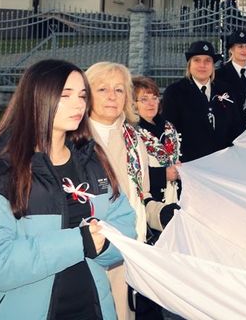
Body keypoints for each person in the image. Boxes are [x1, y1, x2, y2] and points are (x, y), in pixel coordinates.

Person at [0, 59, 136, 319]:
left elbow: (125, 224)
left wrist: (102, 245)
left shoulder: (91, 161)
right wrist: (80, 242)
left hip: (92, 309)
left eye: (82, 95)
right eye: (65, 95)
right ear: (36, 99)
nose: (79, 104)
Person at [86, 62, 178, 320]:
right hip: (85, 251)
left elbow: (142, 197)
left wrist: (164, 214)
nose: (112, 96)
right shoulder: (73, 138)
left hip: (127, 250)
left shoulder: (133, 139)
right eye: (102, 89)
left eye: (119, 89)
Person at [160, 41, 240, 162]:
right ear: (189, 65)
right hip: (190, 165)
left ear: (213, 65)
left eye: (207, 60)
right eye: (197, 60)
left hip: (223, 163)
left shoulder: (226, 90)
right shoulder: (175, 92)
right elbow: (169, 132)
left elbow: (236, 126)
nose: (202, 65)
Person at [131, 76, 180, 205]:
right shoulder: (131, 132)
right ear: (133, 103)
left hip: (174, 196)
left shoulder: (169, 127)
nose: (151, 103)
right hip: (147, 201)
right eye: (144, 99)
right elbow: (129, 172)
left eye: (154, 98)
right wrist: (163, 174)